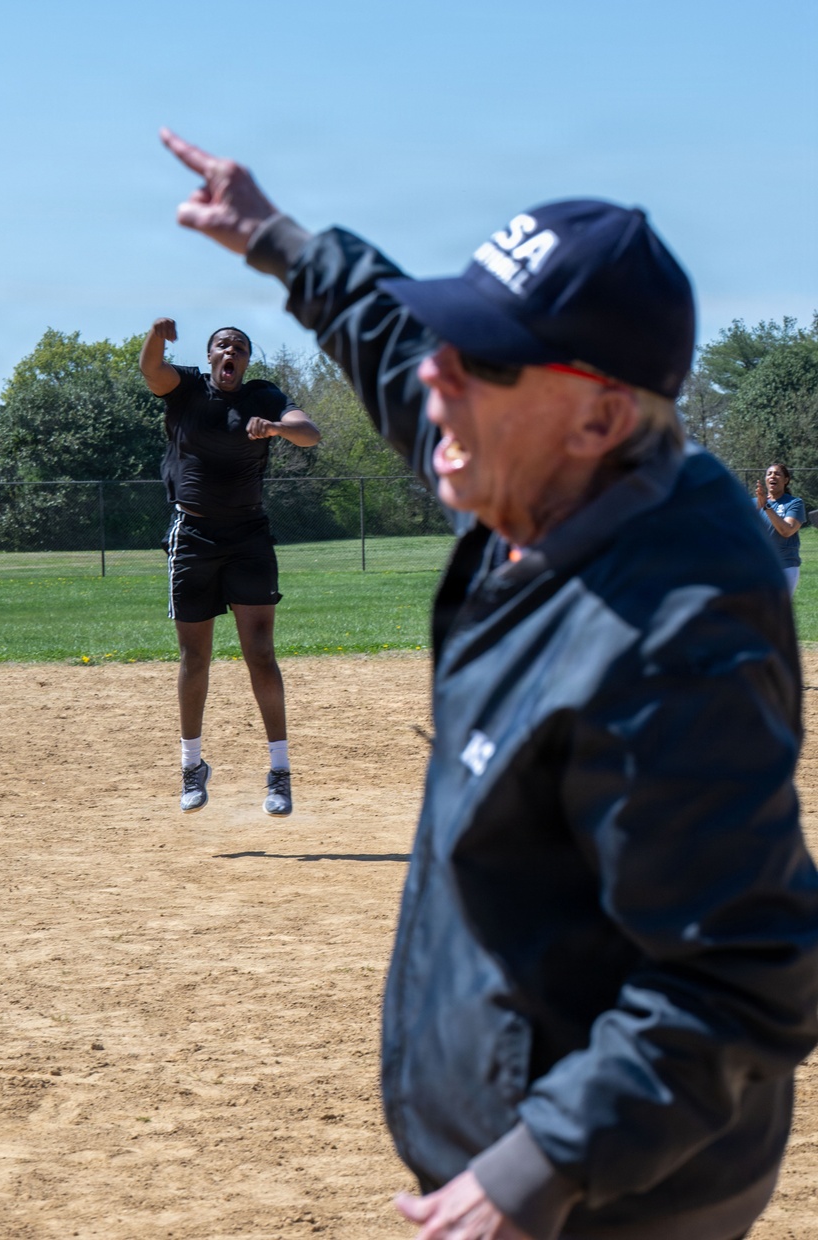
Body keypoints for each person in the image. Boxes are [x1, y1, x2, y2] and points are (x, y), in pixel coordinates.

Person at [156, 130, 818, 1240]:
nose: (436, 376)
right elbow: (389, 338)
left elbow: (747, 971)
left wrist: (540, 1168)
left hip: (614, 1199)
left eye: (483, 360)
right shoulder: (544, 469)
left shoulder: (672, 631)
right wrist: (276, 240)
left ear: (600, 414)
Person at [139, 316, 320, 816]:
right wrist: (156, 335)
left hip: (248, 536)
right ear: (210, 354)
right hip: (193, 535)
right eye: (222, 346)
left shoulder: (263, 396)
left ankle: (280, 773)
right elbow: (151, 370)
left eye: (238, 348)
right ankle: (191, 766)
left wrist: (278, 428)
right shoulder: (187, 388)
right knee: (194, 657)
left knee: (260, 652)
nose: (230, 353)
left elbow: (311, 433)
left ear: (245, 361)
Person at [756, 462, 806, 594]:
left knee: (774, 612)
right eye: (769, 474)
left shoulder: (794, 503)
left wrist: (766, 506)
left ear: (786, 480)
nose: (772, 476)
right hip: (757, 568)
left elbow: (787, 530)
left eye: (777, 474)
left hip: (785, 568)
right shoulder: (753, 503)